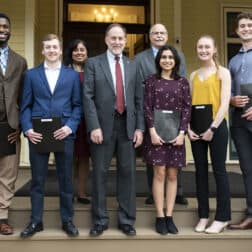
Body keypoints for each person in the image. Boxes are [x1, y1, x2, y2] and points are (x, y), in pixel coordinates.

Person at [83, 23, 144, 237]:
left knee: (128, 174)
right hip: (102, 127)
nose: (117, 42)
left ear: (125, 40)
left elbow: (139, 99)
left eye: (121, 38)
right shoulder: (93, 63)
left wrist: (140, 128)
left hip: (127, 126)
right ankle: (100, 220)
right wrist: (94, 126)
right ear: (106, 40)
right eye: (113, 38)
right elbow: (87, 97)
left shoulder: (133, 65)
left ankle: (126, 220)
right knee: (100, 173)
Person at [20, 34, 81, 238]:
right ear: (42, 51)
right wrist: (28, 129)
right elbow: (25, 105)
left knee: (66, 179)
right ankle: (36, 221)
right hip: (38, 133)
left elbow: (77, 106)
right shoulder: (31, 75)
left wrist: (70, 127)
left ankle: (68, 220)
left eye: (55, 47)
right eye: (48, 47)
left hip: (64, 132)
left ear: (61, 49)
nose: (52, 50)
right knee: (37, 180)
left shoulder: (72, 76)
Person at [134, 23, 188, 205]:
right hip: (151, 110)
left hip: (174, 115)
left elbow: (184, 81)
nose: (158, 35)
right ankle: (153, 192)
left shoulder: (178, 55)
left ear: (167, 35)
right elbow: (138, 85)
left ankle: (177, 192)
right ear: (150, 36)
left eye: (162, 32)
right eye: (155, 33)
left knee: (174, 159)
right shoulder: (140, 58)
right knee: (154, 157)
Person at [144, 45, 191, 234]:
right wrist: (152, 132)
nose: (167, 60)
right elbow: (147, 107)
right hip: (156, 133)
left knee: (172, 175)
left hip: (176, 135)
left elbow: (187, 109)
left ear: (175, 61)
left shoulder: (183, 82)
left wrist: (182, 133)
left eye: (171, 57)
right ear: (159, 60)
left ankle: (170, 215)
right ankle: (159, 216)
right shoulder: (151, 81)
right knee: (159, 173)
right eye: (164, 57)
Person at [188, 35, 231, 234]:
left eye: (207, 47)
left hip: (216, 129)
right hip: (196, 131)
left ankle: (222, 217)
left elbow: (224, 104)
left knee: (219, 171)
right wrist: (188, 127)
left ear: (214, 50)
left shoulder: (223, 73)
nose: (203, 50)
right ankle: (203, 216)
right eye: (200, 47)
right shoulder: (193, 75)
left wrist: (212, 129)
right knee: (200, 173)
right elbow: (188, 105)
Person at [0, 12, 27, 235]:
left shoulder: (20, 61)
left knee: (8, 174)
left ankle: (2, 217)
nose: (2, 30)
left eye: (5, 26)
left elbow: (24, 97)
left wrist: (19, 125)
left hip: (9, 125)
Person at [228, 12, 252, 230]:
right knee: (247, 167)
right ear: (236, 31)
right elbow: (227, 91)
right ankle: (251, 214)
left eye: (249, 25)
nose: (246, 28)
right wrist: (231, 100)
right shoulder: (233, 60)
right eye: (242, 26)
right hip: (239, 121)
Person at [63, 39, 90, 204]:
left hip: (87, 120)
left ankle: (82, 192)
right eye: (75, 50)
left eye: (82, 49)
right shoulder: (64, 71)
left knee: (85, 157)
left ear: (87, 52)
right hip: (70, 119)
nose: (79, 52)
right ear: (70, 53)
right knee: (70, 157)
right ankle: (69, 192)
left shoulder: (93, 70)